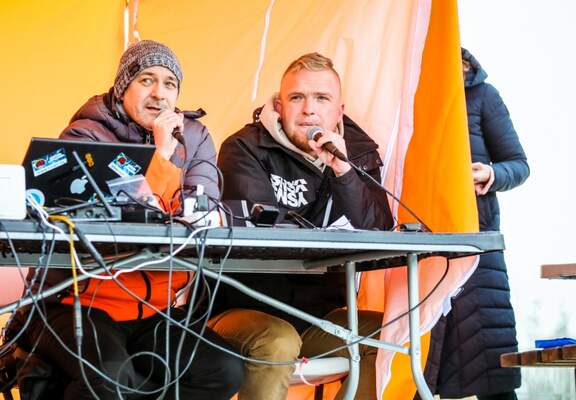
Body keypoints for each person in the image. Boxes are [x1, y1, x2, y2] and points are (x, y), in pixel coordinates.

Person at [10, 40, 243, 399]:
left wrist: (187, 203)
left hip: (153, 309)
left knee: (223, 370)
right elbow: (116, 219)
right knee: (112, 379)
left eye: (169, 84)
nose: (159, 93)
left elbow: (202, 209)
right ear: (122, 88)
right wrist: (161, 155)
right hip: (75, 303)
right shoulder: (86, 135)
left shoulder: (194, 137)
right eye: (146, 80)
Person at [210, 52, 394, 399]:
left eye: (321, 98)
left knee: (390, 334)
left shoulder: (357, 153)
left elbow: (379, 230)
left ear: (339, 111)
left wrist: (343, 173)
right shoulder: (244, 148)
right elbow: (261, 230)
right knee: (279, 340)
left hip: (316, 317)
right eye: (297, 98)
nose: (309, 110)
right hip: (243, 310)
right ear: (280, 107)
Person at [422, 48, 529, 400]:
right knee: (415, 371)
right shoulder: (408, 91)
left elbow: (518, 164)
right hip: (417, 245)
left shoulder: (484, 96)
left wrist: (491, 174)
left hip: (477, 247)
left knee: (490, 370)